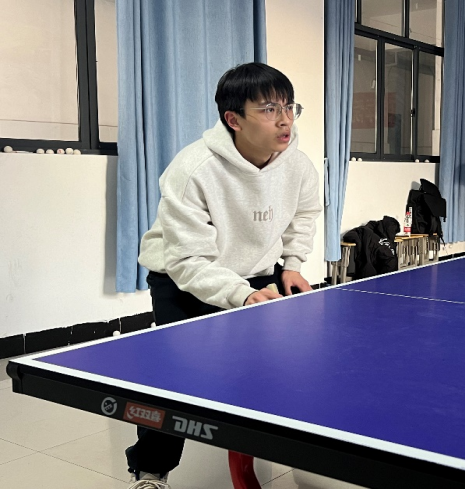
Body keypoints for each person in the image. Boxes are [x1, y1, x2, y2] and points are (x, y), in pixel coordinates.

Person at [126, 62, 321, 488]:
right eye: (269, 109)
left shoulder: (299, 166)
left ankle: (263, 454)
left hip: (257, 272)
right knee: (176, 380)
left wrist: (292, 264)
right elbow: (187, 260)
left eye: (289, 107)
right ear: (233, 119)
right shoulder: (193, 169)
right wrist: (241, 295)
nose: (285, 120)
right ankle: (151, 470)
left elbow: (305, 214)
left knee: (270, 366)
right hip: (182, 277)